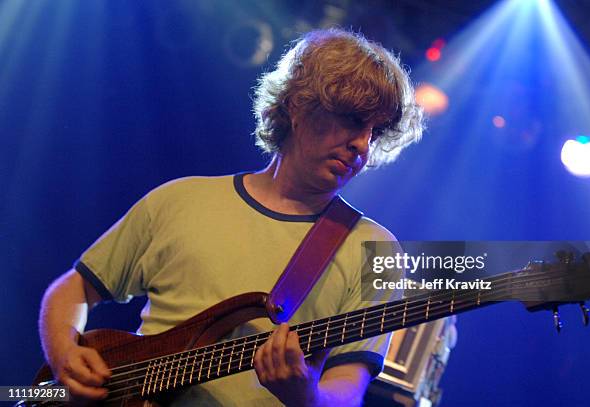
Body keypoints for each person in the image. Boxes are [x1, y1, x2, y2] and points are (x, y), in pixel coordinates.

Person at [38, 28, 423, 406]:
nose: (362, 145)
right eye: (354, 120)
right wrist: (64, 354)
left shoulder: (376, 251)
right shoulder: (180, 200)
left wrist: (305, 397)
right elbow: (73, 289)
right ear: (298, 106)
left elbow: (348, 391)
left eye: (376, 133)